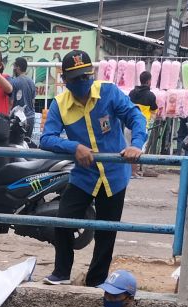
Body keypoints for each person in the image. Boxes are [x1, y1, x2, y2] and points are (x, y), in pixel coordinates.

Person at [39, 50, 146, 288]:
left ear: (92, 74)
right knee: (64, 221)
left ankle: (96, 280)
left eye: (85, 77)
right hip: (84, 176)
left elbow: (135, 117)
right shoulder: (60, 105)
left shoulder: (109, 93)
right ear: (64, 79)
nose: (81, 83)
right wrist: (73, 146)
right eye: (75, 79)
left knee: (106, 231)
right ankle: (61, 272)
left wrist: (136, 145)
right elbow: (46, 139)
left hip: (114, 175)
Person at [128, 71, 158, 177]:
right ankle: (133, 172)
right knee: (138, 148)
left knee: (129, 146)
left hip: (129, 124)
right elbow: (154, 110)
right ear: (149, 81)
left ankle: (130, 171)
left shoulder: (132, 93)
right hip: (142, 125)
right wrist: (151, 120)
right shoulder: (151, 96)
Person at [11, 57, 37, 142]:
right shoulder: (31, 82)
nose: (13, 68)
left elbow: (11, 102)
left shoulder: (14, 82)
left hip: (19, 120)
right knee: (27, 145)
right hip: (31, 118)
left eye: (14, 66)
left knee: (16, 146)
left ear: (18, 67)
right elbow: (33, 101)